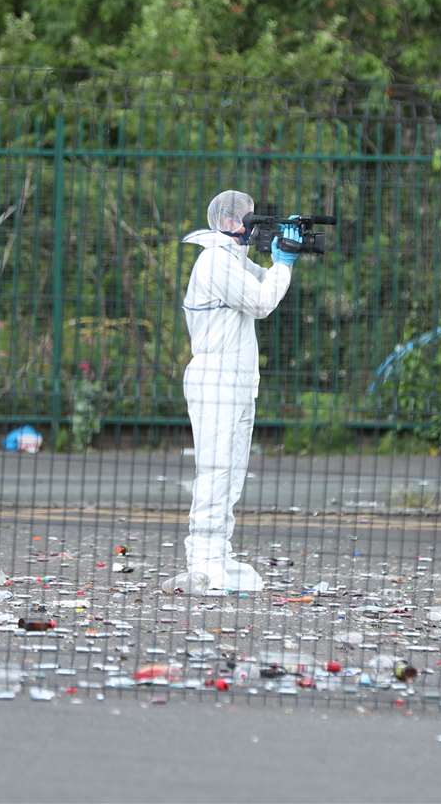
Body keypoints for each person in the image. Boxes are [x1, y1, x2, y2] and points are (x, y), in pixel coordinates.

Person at [168, 190, 299, 594]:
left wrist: (283, 251)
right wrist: (282, 263)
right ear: (227, 223)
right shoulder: (213, 261)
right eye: (246, 219)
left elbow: (261, 282)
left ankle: (218, 553)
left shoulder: (231, 261)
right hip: (215, 378)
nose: (250, 225)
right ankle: (203, 560)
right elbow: (262, 301)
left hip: (237, 380)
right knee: (216, 469)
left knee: (234, 472)